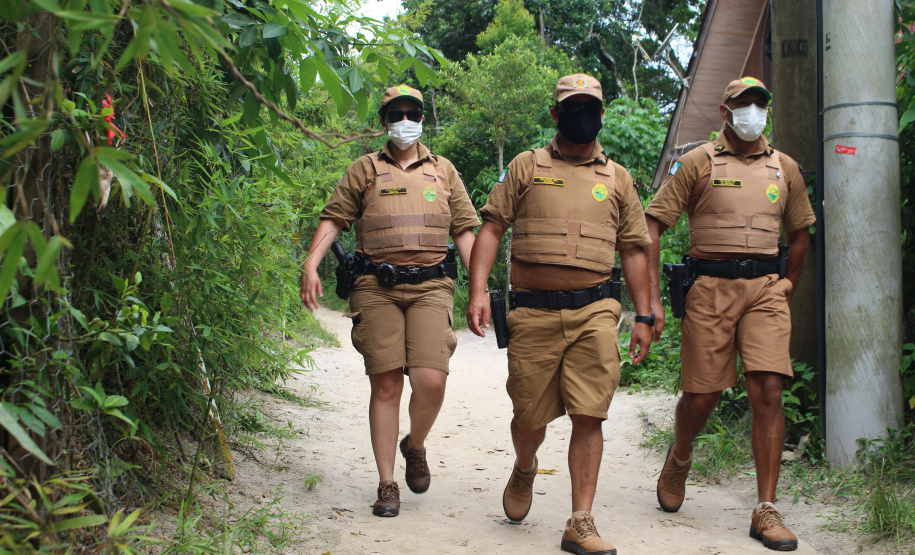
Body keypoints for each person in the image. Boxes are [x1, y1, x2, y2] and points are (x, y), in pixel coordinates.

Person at [467, 74, 654, 555]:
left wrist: (646, 315)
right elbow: (490, 229)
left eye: (591, 106)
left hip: (596, 310)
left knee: (590, 414)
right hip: (533, 313)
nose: (582, 114)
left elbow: (635, 249)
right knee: (528, 416)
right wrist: (478, 291)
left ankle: (581, 520)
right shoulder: (526, 167)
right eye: (573, 107)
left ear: (602, 114)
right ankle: (526, 464)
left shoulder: (618, 179)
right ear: (555, 115)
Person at [645, 77, 816, 551]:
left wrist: (786, 285)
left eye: (761, 103)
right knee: (703, 396)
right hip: (711, 289)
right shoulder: (699, 162)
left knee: (768, 387)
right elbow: (653, 226)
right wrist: (654, 300)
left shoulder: (785, 168)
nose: (754, 111)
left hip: (765, 290)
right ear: (726, 110)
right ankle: (680, 455)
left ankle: (766, 509)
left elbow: (800, 230)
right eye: (745, 104)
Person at [300, 84, 479, 517]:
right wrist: (310, 264)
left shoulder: (444, 171)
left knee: (431, 379)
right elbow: (334, 218)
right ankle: (386, 483)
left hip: (432, 284)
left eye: (412, 113)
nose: (405, 120)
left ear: (422, 118)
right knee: (386, 383)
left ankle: (414, 445)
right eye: (396, 113)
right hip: (375, 285)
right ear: (384, 120)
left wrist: (480, 288)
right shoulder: (364, 169)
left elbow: (466, 231)